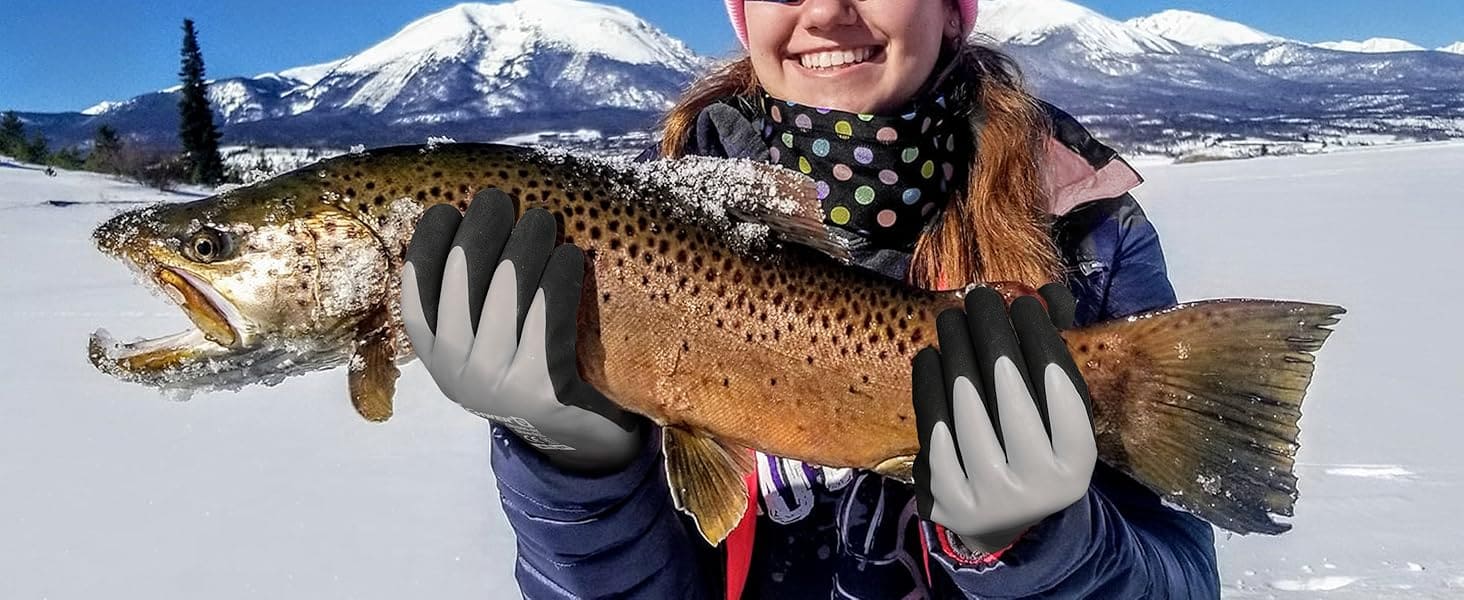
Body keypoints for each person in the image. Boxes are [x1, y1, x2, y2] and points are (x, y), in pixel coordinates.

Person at [401, 0, 1222, 597]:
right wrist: (574, 472)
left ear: (952, 10)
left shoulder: (1083, 237)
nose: (827, 11)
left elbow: (1183, 580)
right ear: (743, 15)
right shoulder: (619, 244)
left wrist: (1043, 550)